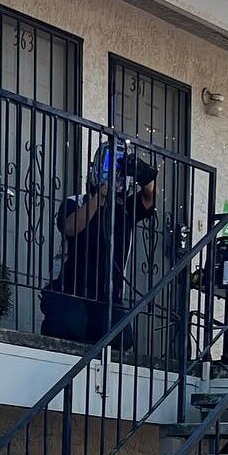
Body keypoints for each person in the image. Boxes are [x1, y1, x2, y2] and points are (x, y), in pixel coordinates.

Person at [40, 144, 159, 343]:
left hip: (107, 297)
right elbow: (70, 228)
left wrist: (142, 173)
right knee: (71, 326)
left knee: (122, 339)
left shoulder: (126, 209)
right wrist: (99, 198)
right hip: (70, 290)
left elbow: (149, 199)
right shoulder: (75, 201)